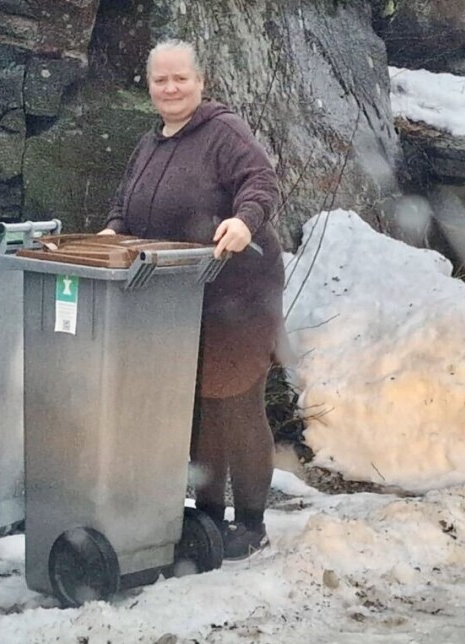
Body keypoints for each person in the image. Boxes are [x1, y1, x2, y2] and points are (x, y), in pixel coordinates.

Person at [98, 38, 284, 559]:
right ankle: (207, 518)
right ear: (150, 87)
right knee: (198, 404)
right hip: (182, 294)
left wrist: (244, 221)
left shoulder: (223, 132)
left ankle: (250, 522)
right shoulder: (150, 143)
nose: (172, 87)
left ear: (200, 83)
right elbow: (125, 201)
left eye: (181, 78)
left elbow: (261, 181)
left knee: (236, 401)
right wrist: (113, 231)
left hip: (241, 290)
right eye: (162, 79)